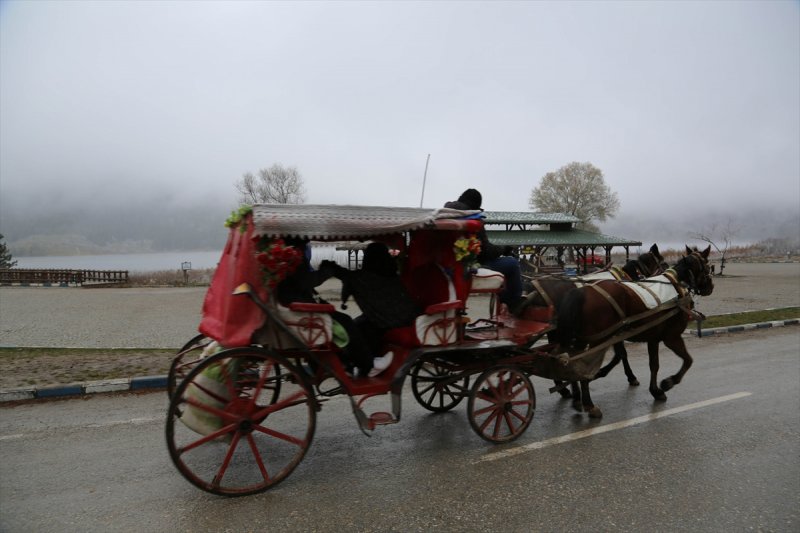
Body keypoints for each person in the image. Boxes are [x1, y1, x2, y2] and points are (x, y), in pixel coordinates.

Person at [275, 238, 375, 377]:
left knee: (343, 320)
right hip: (300, 309)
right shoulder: (294, 256)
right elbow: (306, 281)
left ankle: (346, 363)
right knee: (346, 322)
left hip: (297, 304)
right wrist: (329, 270)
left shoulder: (285, 257)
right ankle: (367, 365)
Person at [320, 242, 421, 376]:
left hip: (394, 318)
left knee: (358, 328)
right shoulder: (386, 271)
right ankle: (359, 363)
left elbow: (349, 276)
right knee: (356, 325)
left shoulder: (369, 276)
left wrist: (331, 265)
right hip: (398, 315)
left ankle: (368, 364)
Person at [444, 188, 525, 313]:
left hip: (449, 265)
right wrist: (504, 249)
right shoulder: (472, 217)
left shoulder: (446, 214)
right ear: (476, 205)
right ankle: (512, 303)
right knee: (512, 264)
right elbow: (486, 251)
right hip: (470, 267)